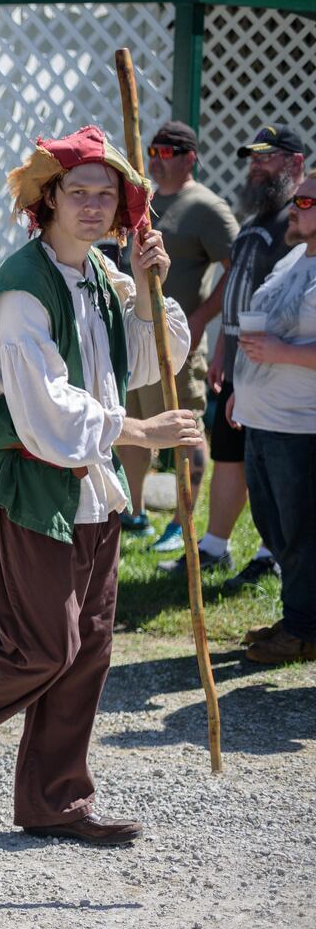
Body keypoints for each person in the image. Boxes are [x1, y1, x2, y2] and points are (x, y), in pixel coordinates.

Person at [0, 127, 197, 845]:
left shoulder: (102, 276)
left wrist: (152, 291)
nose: (94, 207)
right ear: (49, 200)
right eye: (80, 194)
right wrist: (143, 433)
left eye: (107, 196)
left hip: (92, 490)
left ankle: (55, 801)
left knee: (89, 650)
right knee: (42, 647)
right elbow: (46, 411)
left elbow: (148, 360)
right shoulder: (22, 290)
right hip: (35, 486)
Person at [168, 125, 305, 589]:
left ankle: (273, 553)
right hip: (239, 361)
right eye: (253, 159)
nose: (255, 167)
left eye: (266, 159)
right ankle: (215, 545)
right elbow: (236, 298)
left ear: (295, 163)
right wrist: (223, 349)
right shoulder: (253, 224)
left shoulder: (299, 222)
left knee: (271, 463)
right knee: (231, 454)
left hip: (275, 366)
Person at [116, 121, 236, 552]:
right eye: (153, 150)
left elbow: (235, 266)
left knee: (184, 428)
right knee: (134, 427)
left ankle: (183, 522)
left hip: (178, 342)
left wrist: (203, 317)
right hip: (136, 339)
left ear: (190, 157)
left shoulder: (205, 207)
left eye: (168, 152)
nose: (156, 159)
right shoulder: (141, 200)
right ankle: (135, 512)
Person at [227, 169, 316, 664]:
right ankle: (301, 617)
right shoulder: (293, 259)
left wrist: (281, 351)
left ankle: (304, 631)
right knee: (274, 527)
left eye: (305, 203)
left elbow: (280, 345)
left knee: (301, 533)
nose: (294, 208)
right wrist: (243, 389)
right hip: (262, 419)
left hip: (301, 426)